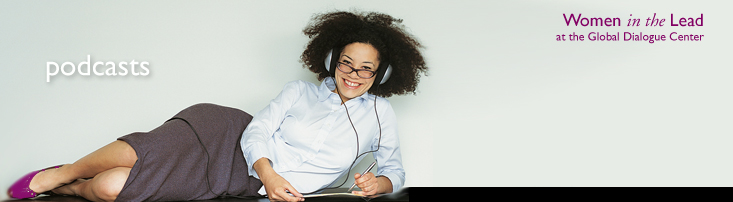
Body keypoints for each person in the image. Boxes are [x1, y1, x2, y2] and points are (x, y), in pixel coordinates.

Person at [8, 10, 427, 202]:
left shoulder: (378, 116)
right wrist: (270, 171)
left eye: (366, 70)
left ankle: (70, 188)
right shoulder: (299, 93)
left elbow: (395, 170)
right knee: (145, 150)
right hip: (227, 136)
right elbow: (258, 131)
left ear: (382, 76)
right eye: (346, 64)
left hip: (240, 181)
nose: (353, 76)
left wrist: (381, 185)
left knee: (108, 188)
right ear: (333, 61)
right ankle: (58, 175)